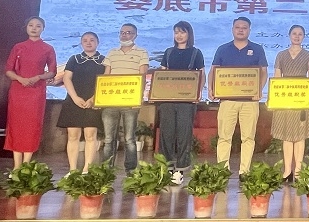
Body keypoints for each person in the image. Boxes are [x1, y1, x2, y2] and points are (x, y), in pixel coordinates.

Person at [210, 17, 268, 176]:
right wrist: (212, 88)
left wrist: (259, 90)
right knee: (224, 137)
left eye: (244, 27)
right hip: (227, 101)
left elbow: (263, 72)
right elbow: (214, 70)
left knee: (248, 138)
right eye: (238, 27)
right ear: (232, 29)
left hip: (250, 102)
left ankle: (244, 171)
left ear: (249, 30)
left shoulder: (257, 49)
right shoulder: (223, 49)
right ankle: (222, 170)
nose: (241, 30)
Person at [3, 16, 57, 168]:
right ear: (26, 28)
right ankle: (16, 166)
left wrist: (38, 77)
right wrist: (20, 79)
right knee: (16, 125)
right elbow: (8, 70)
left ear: (43, 29)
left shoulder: (48, 48)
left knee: (32, 126)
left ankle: (26, 164)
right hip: (18, 91)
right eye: (31, 25)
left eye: (38, 26)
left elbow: (52, 72)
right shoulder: (18, 47)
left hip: (36, 92)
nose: (34, 28)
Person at [158, 21, 205, 185]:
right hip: (167, 100)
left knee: (184, 134)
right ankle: (167, 168)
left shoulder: (196, 53)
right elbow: (162, 75)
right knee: (166, 133)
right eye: (176, 32)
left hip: (187, 100)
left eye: (182, 32)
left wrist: (198, 93)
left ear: (189, 34)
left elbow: (201, 75)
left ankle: (180, 170)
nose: (179, 35)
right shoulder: (168, 52)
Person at [102, 23, 149, 174]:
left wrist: (139, 97)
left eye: (128, 32)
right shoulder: (112, 53)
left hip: (130, 101)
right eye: (122, 32)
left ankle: (131, 170)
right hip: (111, 101)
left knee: (129, 138)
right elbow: (105, 76)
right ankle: (106, 170)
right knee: (108, 139)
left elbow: (142, 76)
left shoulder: (142, 52)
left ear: (135, 35)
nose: (124, 35)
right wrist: (101, 98)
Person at [271, 25, 309, 181]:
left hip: (301, 98)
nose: (297, 36)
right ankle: (287, 170)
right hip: (285, 98)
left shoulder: (308, 55)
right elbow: (277, 77)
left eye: (300, 34)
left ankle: (298, 170)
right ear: (289, 35)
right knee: (286, 136)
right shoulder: (281, 55)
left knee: (300, 136)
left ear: (304, 36)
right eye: (294, 33)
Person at [57, 31, 105, 173]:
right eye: (85, 40)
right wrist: (75, 98)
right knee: (73, 136)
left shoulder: (104, 60)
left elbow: (106, 81)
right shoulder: (74, 59)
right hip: (73, 101)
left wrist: (93, 99)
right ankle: (72, 170)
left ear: (97, 42)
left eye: (92, 40)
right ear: (81, 43)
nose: (88, 42)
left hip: (94, 101)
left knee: (90, 135)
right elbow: (66, 78)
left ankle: (86, 169)